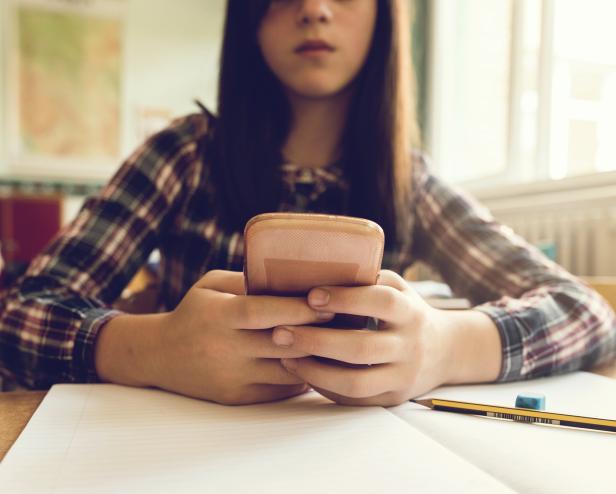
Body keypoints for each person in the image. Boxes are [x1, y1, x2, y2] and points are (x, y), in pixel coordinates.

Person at [0, 0, 615, 406]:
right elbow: (20, 318)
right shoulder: (184, 155)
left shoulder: (411, 183)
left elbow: (585, 313)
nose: (315, 9)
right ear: (249, 20)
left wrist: (445, 347)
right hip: (180, 465)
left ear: (384, 18)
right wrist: (157, 348)